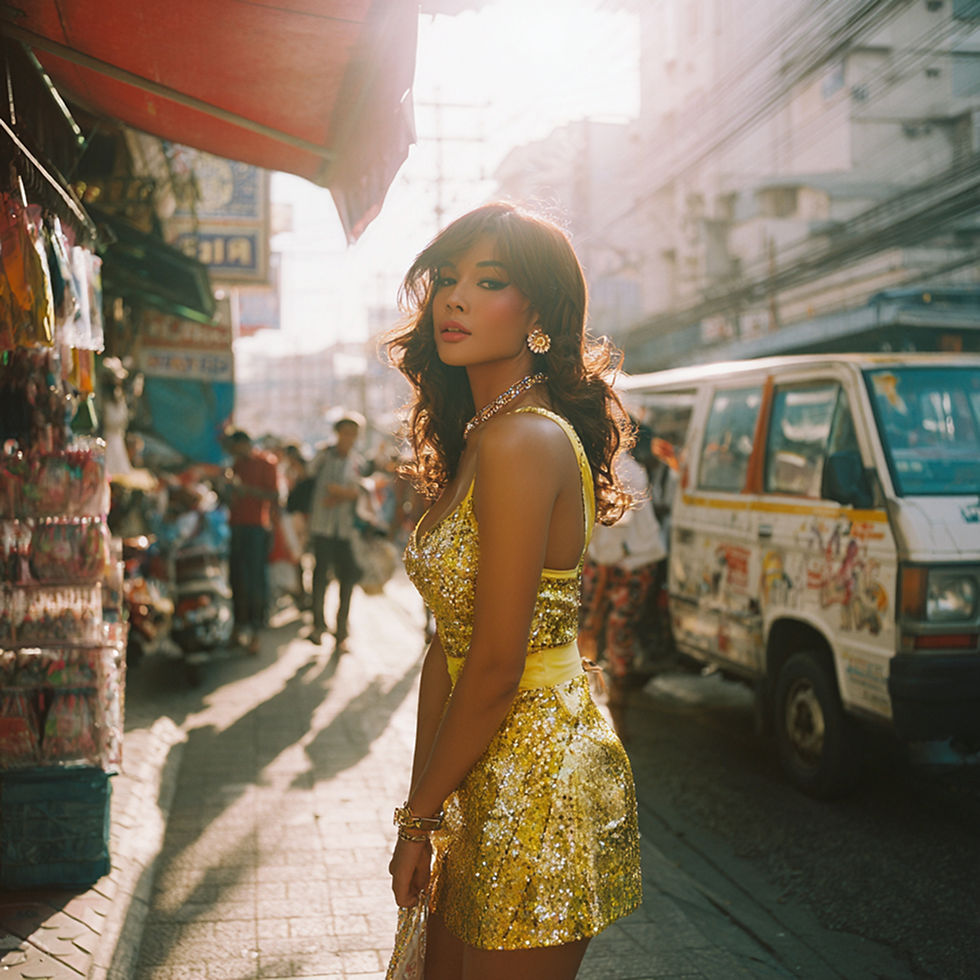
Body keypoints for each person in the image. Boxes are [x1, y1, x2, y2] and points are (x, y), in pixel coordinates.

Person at [384, 202, 642, 979]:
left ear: (538, 314)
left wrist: (417, 817)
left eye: (488, 281)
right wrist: (426, 802)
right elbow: (447, 646)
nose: (453, 298)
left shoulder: (523, 440)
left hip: (539, 782)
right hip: (474, 769)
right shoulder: (482, 434)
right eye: (447, 279)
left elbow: (496, 664)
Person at [307, 413, 364, 650]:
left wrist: (341, 494)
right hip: (322, 526)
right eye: (345, 432)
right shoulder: (323, 456)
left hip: (345, 530)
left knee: (348, 577)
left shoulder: (357, 461)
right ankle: (318, 626)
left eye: (353, 433)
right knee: (320, 576)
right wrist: (342, 493)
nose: (348, 438)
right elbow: (310, 479)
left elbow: (358, 492)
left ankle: (342, 631)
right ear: (338, 433)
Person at [222, 429, 279, 655]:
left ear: (244, 443)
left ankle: (255, 631)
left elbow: (274, 496)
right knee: (236, 578)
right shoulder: (234, 465)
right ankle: (238, 628)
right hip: (235, 527)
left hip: (257, 528)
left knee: (255, 580)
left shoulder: (266, 463)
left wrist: (246, 490)